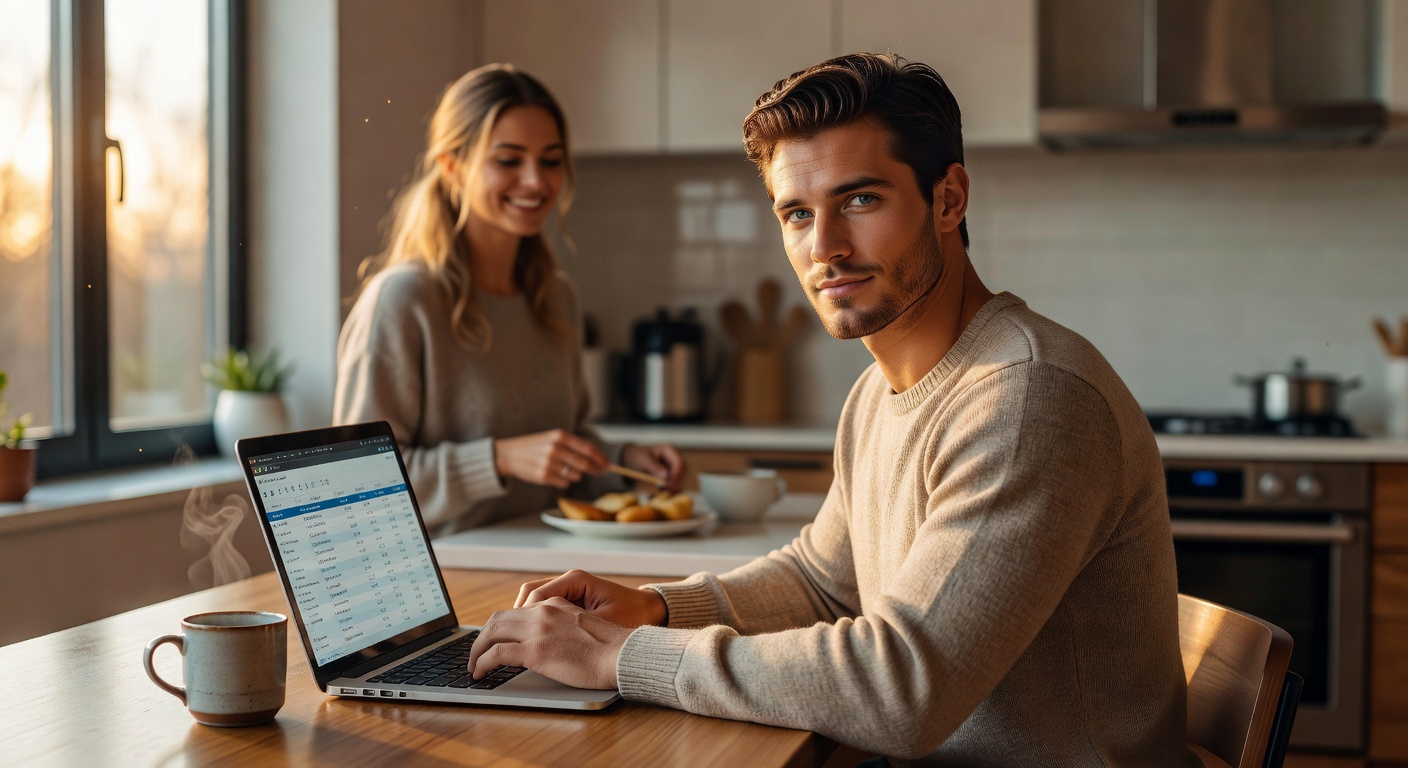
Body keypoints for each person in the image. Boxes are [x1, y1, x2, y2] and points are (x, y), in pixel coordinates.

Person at [464, 53, 1196, 765]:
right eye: (796, 213)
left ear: (949, 199)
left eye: (860, 199)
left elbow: (900, 689)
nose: (825, 248)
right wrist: (654, 608)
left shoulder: (1028, 398)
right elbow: (821, 582)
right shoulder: (880, 390)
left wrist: (628, 657)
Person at [334, 64, 683, 535]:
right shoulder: (403, 301)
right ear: (452, 166)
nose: (536, 181)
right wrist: (497, 459)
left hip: (548, 570)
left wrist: (621, 461)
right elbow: (351, 488)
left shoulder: (558, 299)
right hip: (446, 581)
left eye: (552, 159)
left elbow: (563, 450)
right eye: (508, 159)